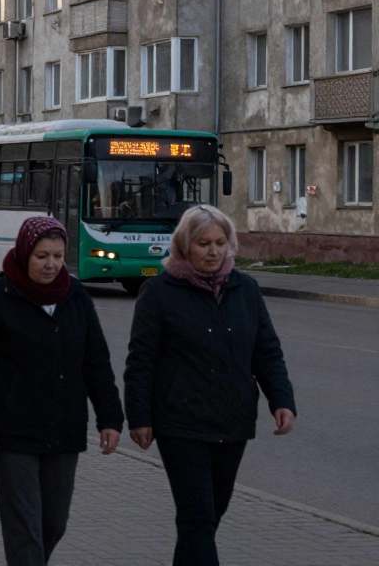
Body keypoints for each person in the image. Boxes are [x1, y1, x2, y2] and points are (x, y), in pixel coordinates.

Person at [124, 205, 295, 566]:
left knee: (208, 518)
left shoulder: (245, 289)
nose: (213, 252)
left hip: (232, 422)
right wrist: (139, 416)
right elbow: (141, 362)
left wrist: (281, 399)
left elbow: (266, 352)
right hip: (180, 423)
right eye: (203, 244)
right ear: (185, 246)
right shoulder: (158, 292)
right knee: (197, 518)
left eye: (220, 243)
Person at [0, 216, 123, 566]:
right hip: (12, 434)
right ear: (24, 253)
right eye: (42, 256)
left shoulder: (76, 297)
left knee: (53, 524)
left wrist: (110, 418)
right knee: (25, 530)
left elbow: (97, 363)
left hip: (64, 431)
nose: (51, 265)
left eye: (58, 256)